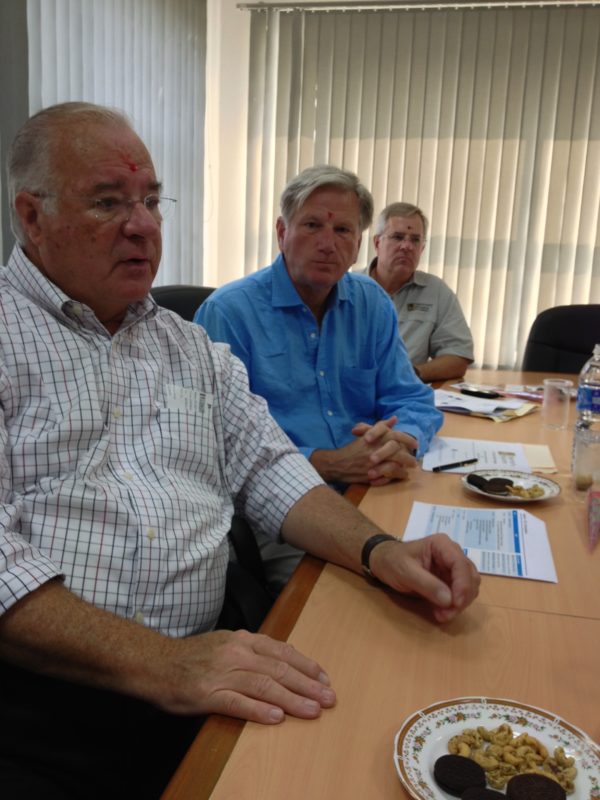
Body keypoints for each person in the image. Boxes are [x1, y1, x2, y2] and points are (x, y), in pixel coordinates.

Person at [0, 103, 479, 800]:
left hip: (209, 667)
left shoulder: (188, 344)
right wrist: (162, 663)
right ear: (31, 217)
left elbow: (270, 467)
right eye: (109, 202)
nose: (143, 225)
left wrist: (382, 553)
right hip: (53, 702)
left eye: (152, 201)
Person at [196, 166, 444, 587]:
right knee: (361, 603)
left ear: (360, 244)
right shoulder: (230, 312)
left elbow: (412, 399)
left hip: (374, 489)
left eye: (344, 230)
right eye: (312, 225)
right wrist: (325, 462)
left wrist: (398, 442)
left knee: (441, 567)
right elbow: (213, 444)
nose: (328, 244)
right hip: (278, 513)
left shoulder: (372, 305)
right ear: (281, 231)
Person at [366, 202, 474, 383]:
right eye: (398, 237)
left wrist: (412, 374)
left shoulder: (436, 292)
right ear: (377, 243)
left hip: (407, 394)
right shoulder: (348, 288)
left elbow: (458, 356)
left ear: (422, 248)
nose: (407, 246)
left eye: (415, 240)